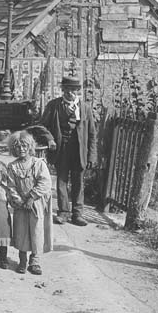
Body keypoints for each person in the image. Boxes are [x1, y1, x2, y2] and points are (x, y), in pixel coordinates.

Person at [41, 76, 97, 227]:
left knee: (78, 181)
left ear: (78, 91)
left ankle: (77, 214)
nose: (70, 93)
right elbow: (42, 126)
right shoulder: (54, 106)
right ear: (63, 90)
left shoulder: (84, 108)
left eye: (74, 90)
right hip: (61, 149)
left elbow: (92, 134)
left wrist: (92, 155)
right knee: (62, 180)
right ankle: (63, 212)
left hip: (79, 150)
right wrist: (50, 139)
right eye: (67, 89)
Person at [5, 129, 52, 275]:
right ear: (14, 148)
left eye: (24, 146)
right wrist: (18, 200)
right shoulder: (12, 167)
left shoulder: (38, 164)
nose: (21, 149)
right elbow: (11, 186)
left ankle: (35, 261)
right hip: (21, 205)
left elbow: (45, 182)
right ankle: (23, 260)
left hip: (36, 203)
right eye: (18, 147)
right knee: (21, 231)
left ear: (30, 147)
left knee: (36, 231)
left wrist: (32, 197)